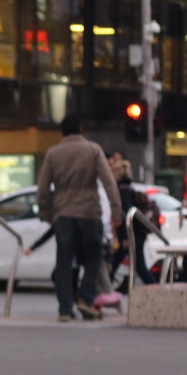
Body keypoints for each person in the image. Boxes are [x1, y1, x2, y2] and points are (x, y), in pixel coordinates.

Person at [36, 115, 123, 322]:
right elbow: (109, 182)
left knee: (64, 262)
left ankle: (65, 309)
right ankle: (85, 297)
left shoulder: (53, 153)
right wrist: (117, 211)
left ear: (62, 132)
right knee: (94, 257)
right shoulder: (93, 150)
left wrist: (46, 214)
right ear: (81, 130)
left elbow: (42, 188)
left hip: (63, 214)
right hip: (89, 212)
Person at [110, 162, 157, 288]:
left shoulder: (122, 190)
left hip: (131, 234)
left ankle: (104, 289)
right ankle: (155, 287)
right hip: (137, 233)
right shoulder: (130, 188)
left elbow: (127, 214)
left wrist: (125, 237)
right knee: (136, 265)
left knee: (117, 263)